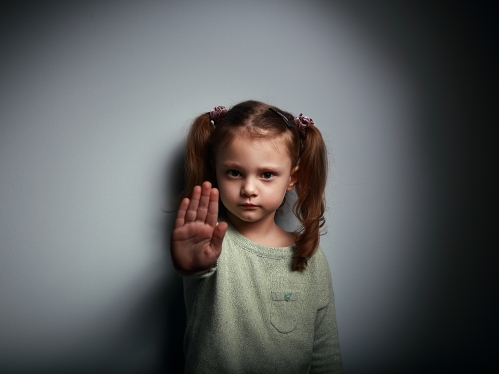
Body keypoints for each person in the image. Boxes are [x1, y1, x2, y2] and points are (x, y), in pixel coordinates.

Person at [171, 100, 343, 373]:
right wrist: (190, 267)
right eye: (235, 172)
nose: (248, 188)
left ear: (292, 178)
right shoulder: (209, 243)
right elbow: (199, 268)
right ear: (216, 170)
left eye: (266, 174)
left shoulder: (309, 258)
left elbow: (325, 355)